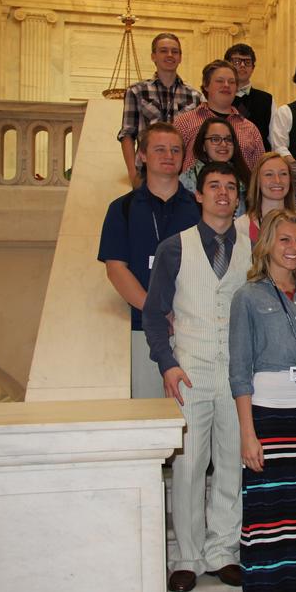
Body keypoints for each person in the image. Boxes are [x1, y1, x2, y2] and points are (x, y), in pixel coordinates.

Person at [142, 162, 250, 592]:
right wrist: (166, 363)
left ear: (238, 197)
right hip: (190, 371)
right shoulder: (174, 248)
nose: (223, 193)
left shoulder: (252, 248)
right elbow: (154, 313)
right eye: (214, 186)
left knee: (231, 463)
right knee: (188, 466)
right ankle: (187, 556)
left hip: (237, 373)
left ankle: (223, 550)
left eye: (231, 187)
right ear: (199, 195)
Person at [228, 208, 296, 592]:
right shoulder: (247, 297)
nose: (293, 247)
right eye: (284, 239)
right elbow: (239, 371)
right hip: (268, 418)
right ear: (267, 244)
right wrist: (248, 433)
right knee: (267, 519)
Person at [97, 122, 200, 399]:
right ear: (142, 155)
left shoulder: (199, 208)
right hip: (142, 329)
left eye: (175, 150)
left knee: (191, 416)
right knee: (148, 410)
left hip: (193, 331)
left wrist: (180, 314)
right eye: (159, 149)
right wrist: (157, 311)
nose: (169, 155)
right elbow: (116, 269)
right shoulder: (122, 208)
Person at [118, 33, 202, 185]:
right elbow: (127, 134)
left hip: (183, 174)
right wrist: (132, 173)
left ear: (180, 58)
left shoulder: (195, 96)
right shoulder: (136, 91)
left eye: (174, 51)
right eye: (163, 51)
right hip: (145, 172)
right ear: (153, 56)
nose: (170, 55)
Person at [174, 60, 265, 172]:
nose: (226, 85)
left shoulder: (251, 129)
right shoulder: (184, 122)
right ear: (206, 85)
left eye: (231, 82)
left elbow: (259, 173)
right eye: (220, 81)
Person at [233, 152, 296, 248]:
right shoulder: (241, 226)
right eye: (269, 174)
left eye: (283, 174)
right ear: (257, 181)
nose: (277, 180)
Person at [178, 118, 251, 214]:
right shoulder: (186, 182)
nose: (223, 144)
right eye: (215, 139)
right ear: (203, 145)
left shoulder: (245, 178)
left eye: (228, 139)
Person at [225, 43, 275, 152]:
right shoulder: (219, 96)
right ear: (227, 65)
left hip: (259, 158)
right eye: (237, 61)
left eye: (247, 62)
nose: (242, 65)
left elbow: (273, 139)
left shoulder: (266, 99)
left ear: (253, 68)